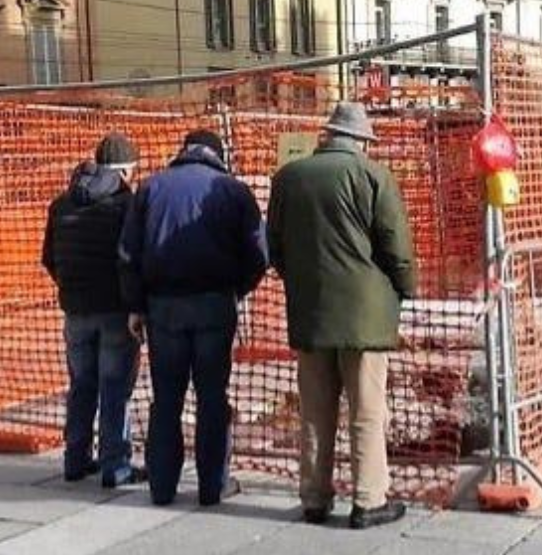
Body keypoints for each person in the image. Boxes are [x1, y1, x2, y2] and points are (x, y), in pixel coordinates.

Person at [267, 102, 417, 529]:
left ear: (326, 136)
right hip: (366, 318)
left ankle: (314, 497)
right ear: (362, 142)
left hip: (310, 313)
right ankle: (369, 500)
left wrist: (301, 281)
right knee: (367, 410)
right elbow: (395, 246)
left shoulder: (288, 178)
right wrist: (407, 289)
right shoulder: (374, 177)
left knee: (315, 409)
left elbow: (274, 246)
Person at [119, 130, 268, 507]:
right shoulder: (233, 190)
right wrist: (237, 290)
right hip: (215, 305)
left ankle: (162, 486)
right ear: (217, 154)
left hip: (163, 308)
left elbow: (127, 254)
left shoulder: (151, 188)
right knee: (212, 398)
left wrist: (136, 306)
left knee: (166, 399)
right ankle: (212, 486)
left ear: (183, 151)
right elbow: (258, 254)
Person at [41, 133, 147, 488]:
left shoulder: (61, 204)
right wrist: (136, 304)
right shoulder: (125, 204)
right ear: (126, 171)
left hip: (74, 310)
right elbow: (131, 259)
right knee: (115, 388)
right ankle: (115, 466)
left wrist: (70, 288)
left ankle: (75, 458)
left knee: (81, 386)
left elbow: (49, 258)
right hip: (115, 310)